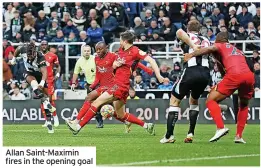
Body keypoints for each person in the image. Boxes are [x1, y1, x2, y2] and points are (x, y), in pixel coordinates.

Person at [66, 31, 168, 135]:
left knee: (96, 102)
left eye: (120, 40)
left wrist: (157, 75)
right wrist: (115, 66)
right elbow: (124, 65)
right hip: (122, 87)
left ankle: (77, 126)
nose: (119, 42)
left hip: (119, 86)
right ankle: (147, 125)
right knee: (121, 115)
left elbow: (151, 60)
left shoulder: (135, 51)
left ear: (124, 41)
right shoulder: (121, 50)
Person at [184, 32, 255, 143]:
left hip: (235, 75)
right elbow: (226, 68)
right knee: (244, 105)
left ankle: (220, 128)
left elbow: (208, 49)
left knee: (210, 100)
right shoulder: (237, 50)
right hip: (249, 76)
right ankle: (238, 136)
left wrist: (191, 55)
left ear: (218, 40)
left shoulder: (219, 45)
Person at [160, 20, 211, 144]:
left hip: (191, 71)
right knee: (194, 100)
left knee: (174, 100)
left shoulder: (188, 36)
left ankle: (169, 135)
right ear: (200, 30)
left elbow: (178, 32)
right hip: (205, 74)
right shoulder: (206, 40)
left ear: (188, 28)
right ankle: (190, 133)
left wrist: (193, 48)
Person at [11, 41, 56, 133]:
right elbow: (18, 49)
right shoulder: (23, 49)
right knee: (34, 85)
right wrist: (14, 58)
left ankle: (48, 121)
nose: (30, 58)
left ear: (35, 52)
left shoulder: (40, 57)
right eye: (29, 57)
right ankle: (46, 103)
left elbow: (44, 72)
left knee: (47, 97)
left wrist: (42, 83)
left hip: (39, 75)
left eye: (32, 57)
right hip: (28, 72)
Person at [70, 44, 103, 128]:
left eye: (88, 51)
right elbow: (76, 72)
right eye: (85, 51)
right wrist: (73, 83)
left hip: (99, 84)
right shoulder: (80, 61)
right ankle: (99, 120)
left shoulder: (95, 59)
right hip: (89, 85)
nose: (87, 52)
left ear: (90, 51)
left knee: (93, 102)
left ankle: (78, 121)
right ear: (82, 52)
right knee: (94, 103)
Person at [40, 40, 60, 128]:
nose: (44, 46)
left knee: (50, 100)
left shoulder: (53, 55)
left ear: (48, 46)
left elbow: (58, 66)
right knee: (42, 101)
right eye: (42, 45)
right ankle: (47, 120)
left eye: (45, 44)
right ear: (40, 46)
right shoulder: (38, 55)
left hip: (49, 80)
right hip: (40, 81)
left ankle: (55, 117)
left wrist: (57, 74)